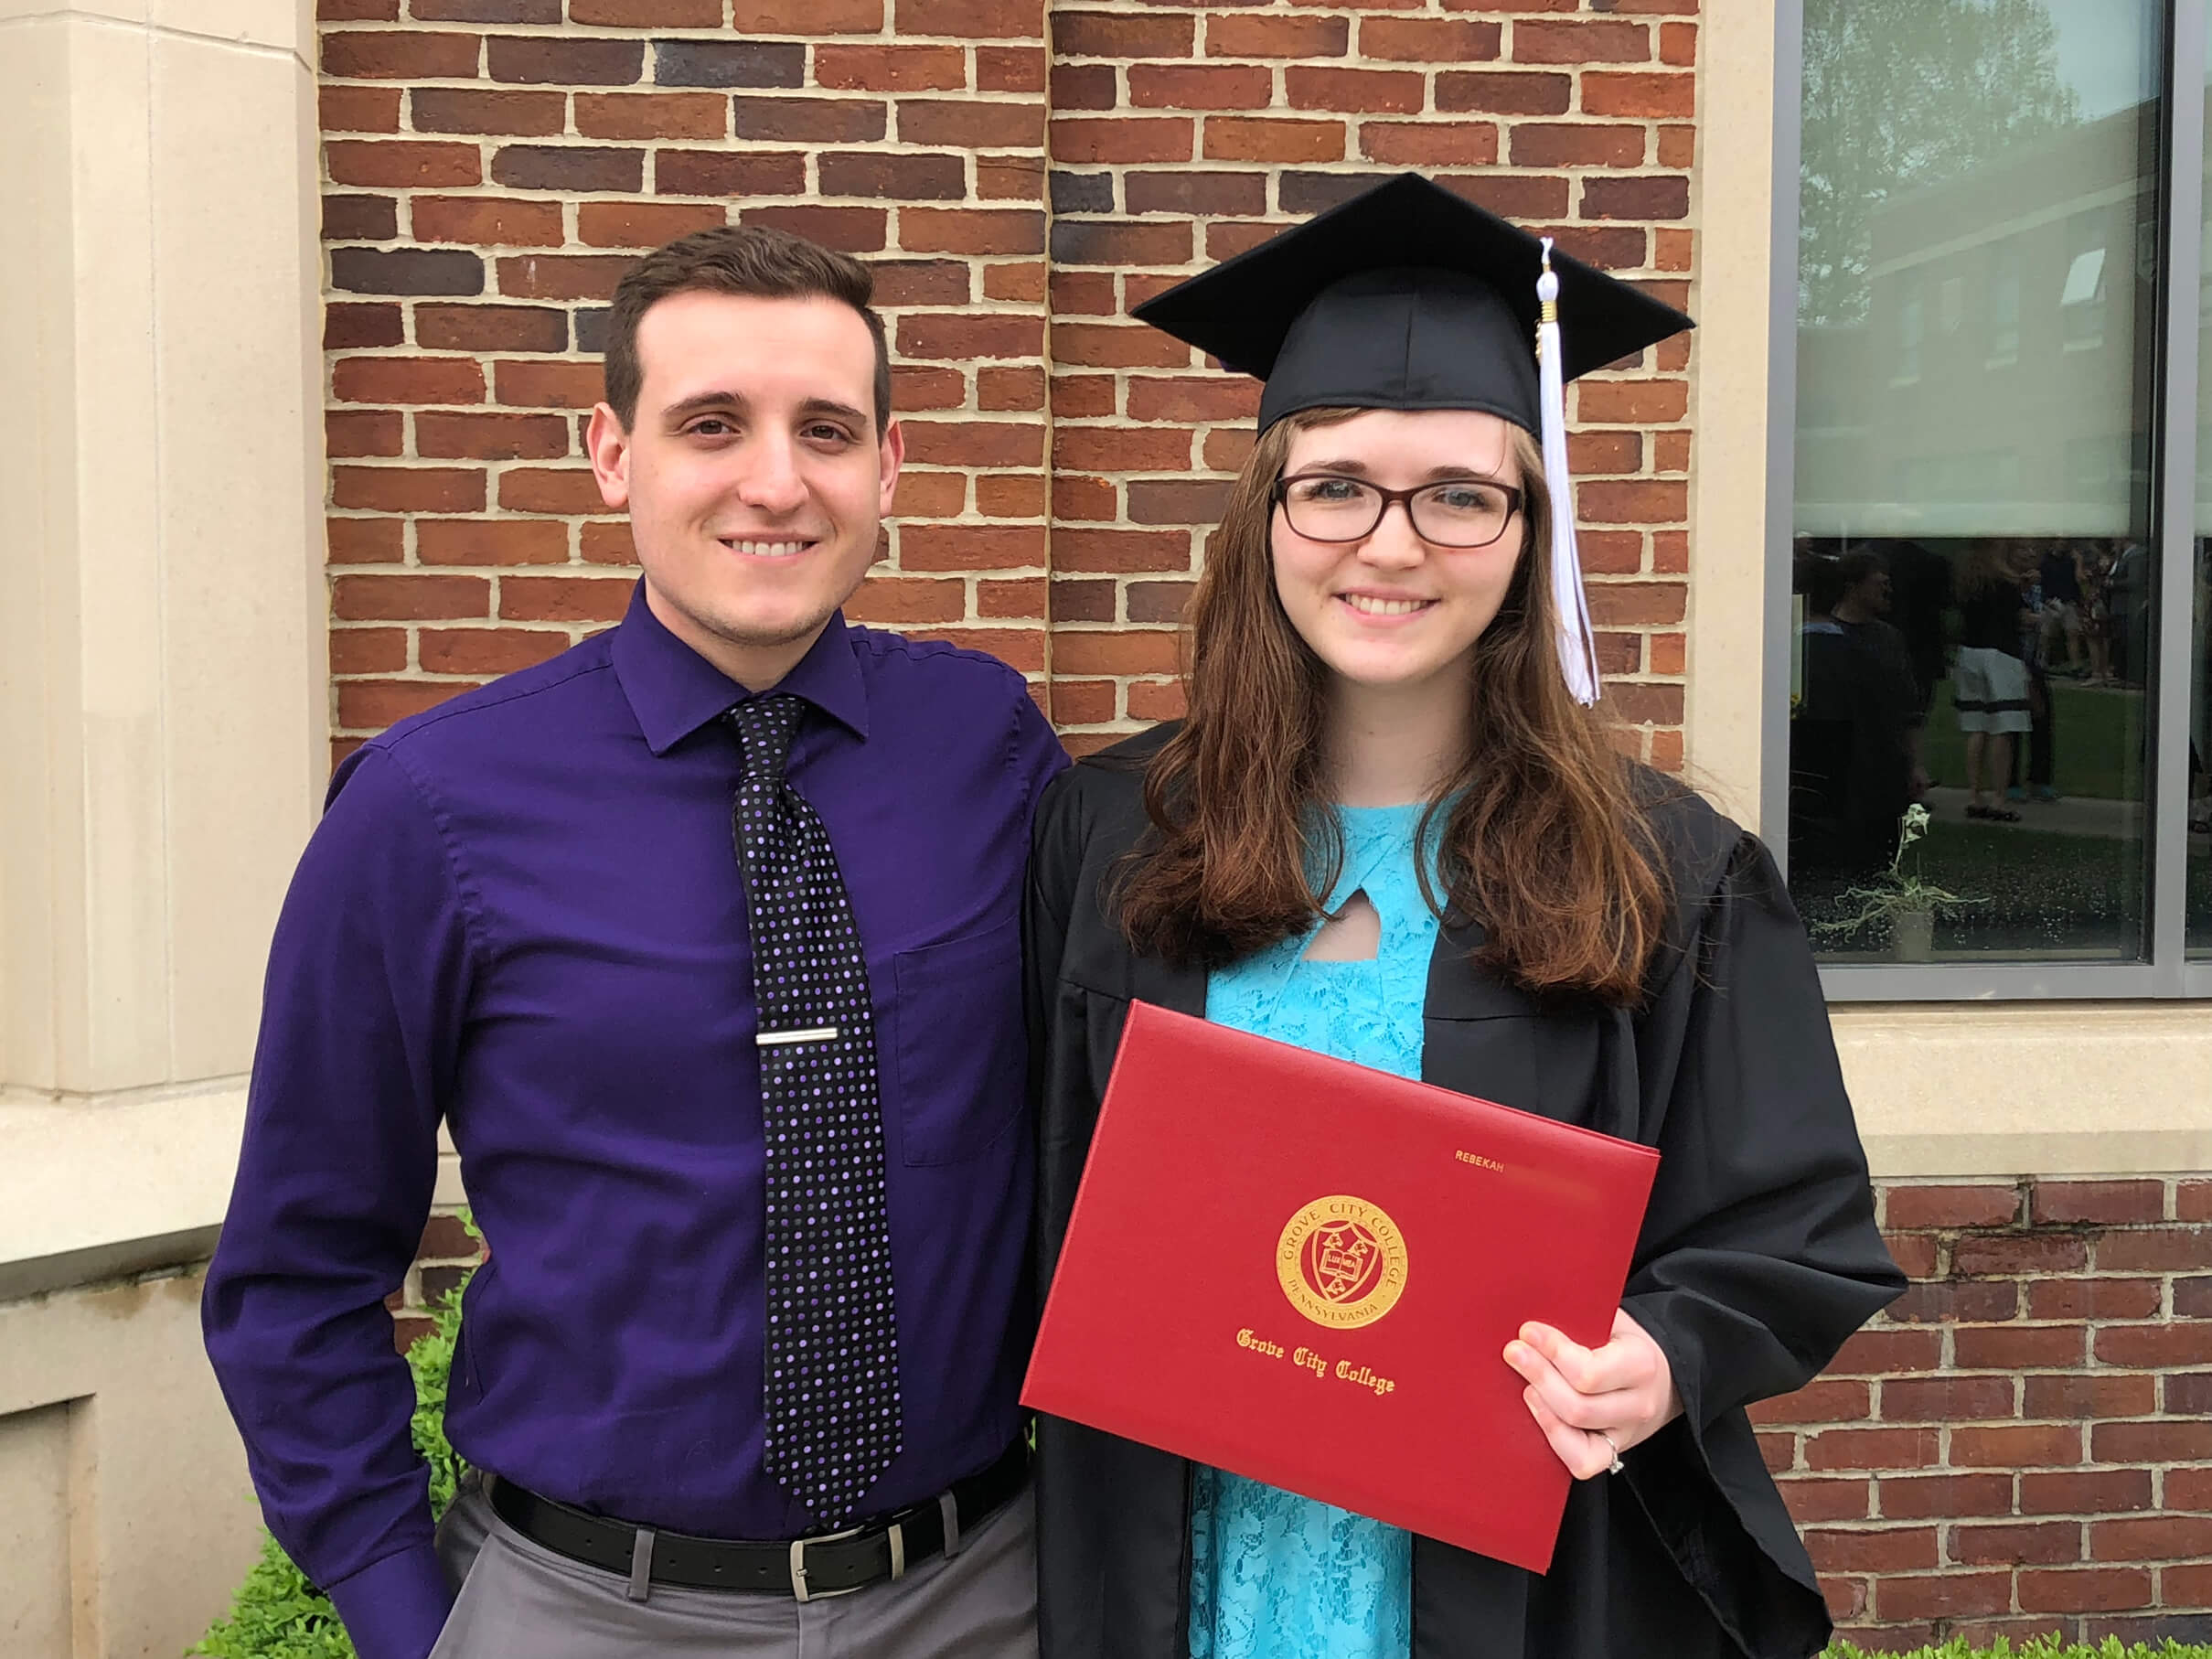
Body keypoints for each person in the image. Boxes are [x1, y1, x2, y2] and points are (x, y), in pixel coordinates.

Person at [1025, 175, 1905, 1659]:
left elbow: (1788, 1223)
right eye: (1337, 484)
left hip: (1518, 1580)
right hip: (1170, 1563)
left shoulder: (1665, 868)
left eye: (1455, 493)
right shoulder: (1111, 829)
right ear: (1266, 509)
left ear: (1524, 529)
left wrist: (1658, 1351)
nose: (1388, 543)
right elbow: (1030, 1179)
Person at [203, 227, 1064, 1659]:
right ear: (611, 452)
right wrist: (404, 1615)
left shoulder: (991, 749)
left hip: (974, 1594)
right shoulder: (428, 807)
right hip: (589, 1608)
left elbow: (1126, 1104)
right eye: (710, 424)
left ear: (889, 467)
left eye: (826, 431)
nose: (774, 480)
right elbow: (297, 1266)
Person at [1952, 539, 2036, 821]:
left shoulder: (1968, 579)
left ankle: (1975, 795)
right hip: (2002, 653)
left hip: (1969, 652)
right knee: (2004, 726)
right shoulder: (2005, 580)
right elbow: (2020, 617)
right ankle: (2000, 799)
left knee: (1977, 726)